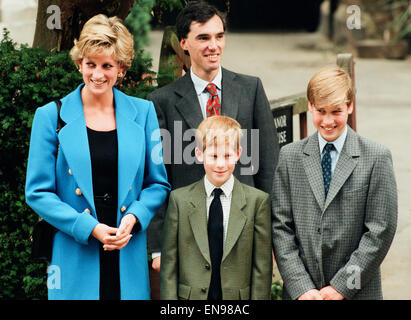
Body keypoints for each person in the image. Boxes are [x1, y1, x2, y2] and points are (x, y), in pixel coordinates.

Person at [25, 14, 170, 300]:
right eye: (90, 64)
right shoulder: (49, 116)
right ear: (79, 63)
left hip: (126, 254)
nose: (98, 74)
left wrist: (134, 218)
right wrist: (89, 227)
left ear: (122, 67)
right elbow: (37, 192)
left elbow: (157, 184)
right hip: (75, 254)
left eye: (107, 66)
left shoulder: (143, 113)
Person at [147, 0, 279, 273]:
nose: (214, 46)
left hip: (243, 229)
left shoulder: (250, 89)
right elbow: (158, 177)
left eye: (219, 36)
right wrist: (158, 246)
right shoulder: (162, 101)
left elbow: (267, 167)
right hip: (188, 233)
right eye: (203, 38)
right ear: (184, 43)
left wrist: (272, 236)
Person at [271, 66, 398, 300]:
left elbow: (381, 231)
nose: (328, 121)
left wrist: (342, 287)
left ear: (350, 106)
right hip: (304, 294)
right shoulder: (290, 157)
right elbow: (280, 227)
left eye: (336, 111)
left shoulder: (376, 157)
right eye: (321, 111)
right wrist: (301, 287)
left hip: (358, 291)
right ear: (310, 106)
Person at [160, 115, 272, 300]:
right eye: (213, 156)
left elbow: (262, 268)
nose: (220, 164)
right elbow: (169, 266)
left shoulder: (257, 202)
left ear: (238, 153)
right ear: (199, 154)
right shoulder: (179, 200)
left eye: (227, 155)